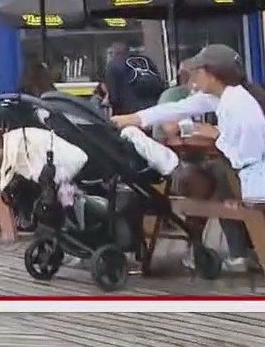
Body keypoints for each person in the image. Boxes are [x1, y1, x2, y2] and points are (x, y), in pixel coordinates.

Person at [112, 44, 265, 273]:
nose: (194, 77)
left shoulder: (236, 103)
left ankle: (203, 246)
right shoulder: (226, 96)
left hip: (252, 181)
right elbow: (177, 108)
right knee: (200, 177)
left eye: (198, 71)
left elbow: (247, 151)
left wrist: (216, 135)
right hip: (247, 178)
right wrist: (133, 118)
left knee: (193, 177)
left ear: (212, 75)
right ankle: (213, 249)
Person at [102, 41, 165, 115]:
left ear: (114, 51)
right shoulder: (145, 60)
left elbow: (114, 97)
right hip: (153, 110)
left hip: (129, 112)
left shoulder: (112, 65)